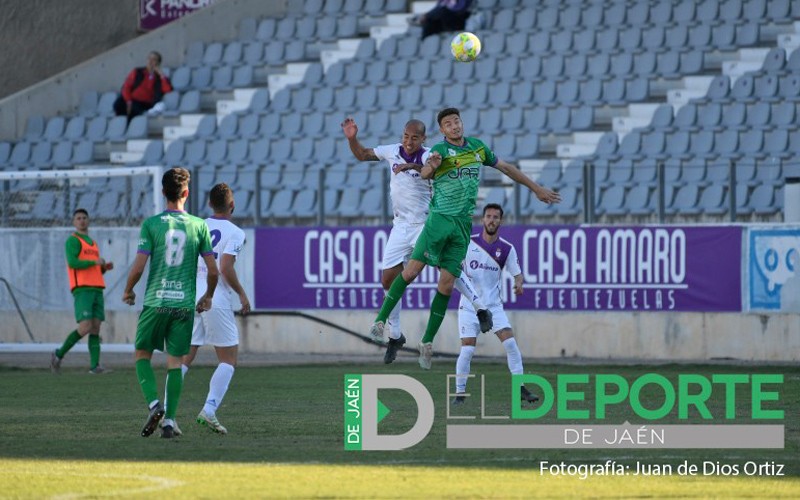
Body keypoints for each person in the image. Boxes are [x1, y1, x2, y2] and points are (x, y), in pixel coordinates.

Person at [367, 107, 561, 370]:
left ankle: (426, 343)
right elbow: (425, 173)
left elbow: (505, 167)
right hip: (438, 220)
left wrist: (536, 188)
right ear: (442, 131)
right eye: (448, 124)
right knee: (411, 271)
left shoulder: (478, 149)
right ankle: (380, 322)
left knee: (447, 284)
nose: (454, 126)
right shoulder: (439, 151)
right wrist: (430, 166)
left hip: (461, 225)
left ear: (461, 124)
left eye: (456, 121)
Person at [342, 116, 493, 364]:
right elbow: (362, 155)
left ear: (423, 139)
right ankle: (396, 335)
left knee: (447, 272)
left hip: (426, 224)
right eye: (405, 136)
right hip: (400, 226)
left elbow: (432, 172)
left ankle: (479, 307)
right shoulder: (392, 151)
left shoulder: (428, 156)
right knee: (388, 280)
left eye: (414, 137)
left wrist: (416, 168)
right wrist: (352, 138)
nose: (409, 141)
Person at [123, 167, 218, 439]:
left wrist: (128, 290)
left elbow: (139, 267)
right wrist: (208, 296)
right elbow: (213, 271)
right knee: (176, 363)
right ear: (186, 193)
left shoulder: (151, 224)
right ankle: (170, 421)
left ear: (163, 192)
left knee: (142, 354)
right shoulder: (200, 225)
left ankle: (155, 405)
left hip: (156, 302)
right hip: (183, 306)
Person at [181, 183, 251, 435]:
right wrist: (242, 294)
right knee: (228, 359)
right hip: (215, 296)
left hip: (190, 294)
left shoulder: (195, 226)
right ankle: (209, 410)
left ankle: (165, 410)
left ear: (210, 204)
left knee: (185, 356)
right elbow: (225, 268)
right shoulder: (236, 232)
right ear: (232, 205)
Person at [452, 203, 538, 405]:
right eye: (488, 216)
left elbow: (517, 273)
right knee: (467, 350)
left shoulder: (507, 248)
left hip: (493, 307)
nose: (491, 220)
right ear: (482, 220)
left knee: (510, 343)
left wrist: (519, 284)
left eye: (495, 217)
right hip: (469, 307)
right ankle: (459, 393)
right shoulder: (467, 243)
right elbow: (453, 266)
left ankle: (521, 388)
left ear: (501, 221)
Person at [50, 209, 114, 374]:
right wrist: (94, 262)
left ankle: (95, 367)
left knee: (95, 328)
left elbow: (95, 269)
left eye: (84, 218)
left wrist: (103, 267)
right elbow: (72, 262)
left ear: (88, 220)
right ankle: (58, 354)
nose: (82, 221)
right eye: (78, 218)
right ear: (74, 222)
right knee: (85, 326)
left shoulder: (92, 243)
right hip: (83, 289)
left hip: (97, 288)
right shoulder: (73, 240)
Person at [113, 51, 172, 122]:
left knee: (133, 110)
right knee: (118, 104)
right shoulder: (137, 72)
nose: (150, 61)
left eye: (154, 59)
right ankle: (122, 125)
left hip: (146, 103)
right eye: (149, 58)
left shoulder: (160, 77)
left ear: (158, 63)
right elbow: (126, 87)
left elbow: (167, 90)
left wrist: (161, 75)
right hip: (132, 99)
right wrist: (129, 101)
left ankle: (129, 125)